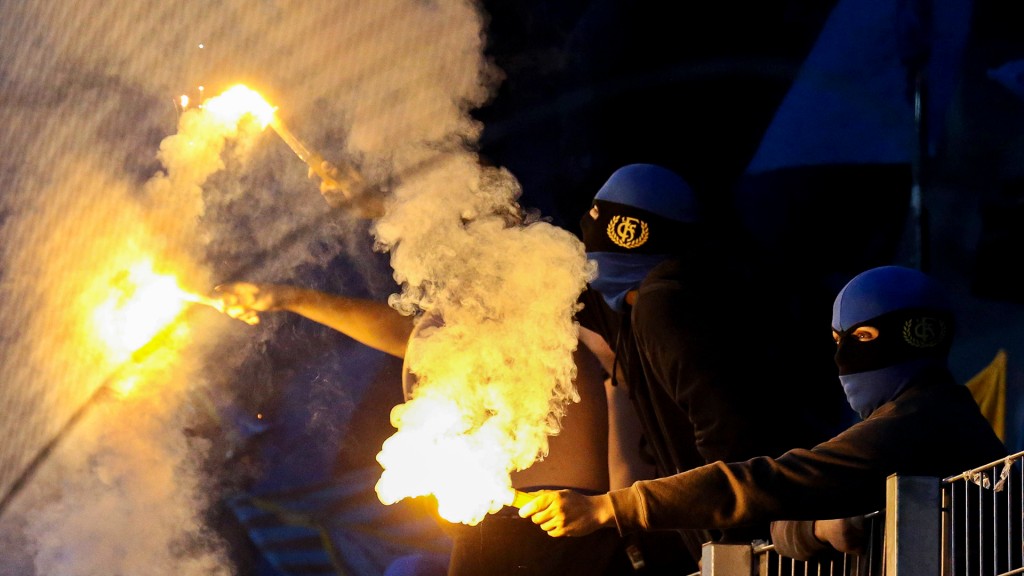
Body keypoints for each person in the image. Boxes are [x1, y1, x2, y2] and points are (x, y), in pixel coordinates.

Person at [518, 265, 1008, 561]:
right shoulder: (918, 419)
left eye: (859, 341)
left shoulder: (919, 424)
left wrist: (611, 506)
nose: (842, 361)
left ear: (914, 336)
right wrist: (815, 529)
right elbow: (794, 506)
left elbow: (777, 481)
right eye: (835, 342)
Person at [214, 279, 637, 573]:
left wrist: (374, 200)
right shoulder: (449, 315)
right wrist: (288, 297)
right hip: (503, 525)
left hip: (548, 525)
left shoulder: (514, 301)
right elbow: (409, 334)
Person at [568, 163, 849, 566]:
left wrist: (726, 545)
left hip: (766, 542)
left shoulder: (661, 305)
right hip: (765, 527)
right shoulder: (682, 294)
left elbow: (728, 433)